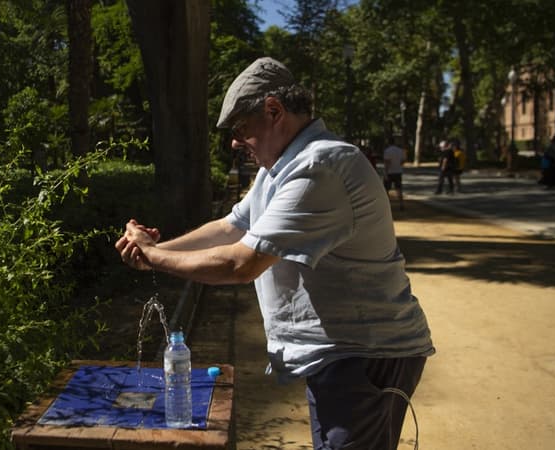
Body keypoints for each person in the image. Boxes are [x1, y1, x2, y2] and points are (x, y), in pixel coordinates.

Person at [115, 57, 434, 450]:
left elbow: (240, 262)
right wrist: (154, 248)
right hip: (341, 353)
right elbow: (231, 227)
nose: (234, 142)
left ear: (273, 111)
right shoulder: (278, 168)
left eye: (240, 128)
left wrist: (153, 257)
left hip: (364, 356)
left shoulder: (320, 166)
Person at [382, 137, 405, 210]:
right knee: (399, 188)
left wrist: (385, 173)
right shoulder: (400, 150)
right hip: (398, 171)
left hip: (390, 172)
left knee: (387, 189)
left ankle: (387, 206)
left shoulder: (387, 151)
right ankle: (401, 204)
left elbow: (387, 163)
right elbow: (403, 161)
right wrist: (398, 165)